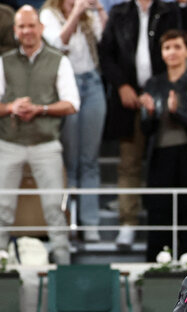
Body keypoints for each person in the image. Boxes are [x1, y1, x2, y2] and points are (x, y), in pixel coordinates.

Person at [99, 0, 187, 247]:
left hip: (167, 97)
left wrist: (161, 91)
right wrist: (121, 86)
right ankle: (128, 223)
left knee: (168, 161)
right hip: (128, 99)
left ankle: (175, 233)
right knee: (129, 162)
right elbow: (106, 54)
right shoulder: (119, 12)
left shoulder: (169, 10)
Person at [0, 5, 80, 264]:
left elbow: (72, 103)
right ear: (15, 31)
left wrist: (40, 109)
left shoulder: (59, 60)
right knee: (2, 208)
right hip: (9, 143)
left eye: (31, 25)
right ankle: (1, 264)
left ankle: (63, 265)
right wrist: (12, 107)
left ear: (41, 28)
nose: (27, 31)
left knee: (54, 209)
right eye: (22, 26)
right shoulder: (4, 62)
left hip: (46, 144)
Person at [139, 30, 187, 262]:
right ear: (161, 53)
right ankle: (158, 260)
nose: (172, 52)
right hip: (160, 156)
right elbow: (146, 129)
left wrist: (176, 112)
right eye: (167, 48)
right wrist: (149, 114)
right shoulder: (153, 83)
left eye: (177, 47)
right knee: (159, 210)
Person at [40, 0, 108, 242]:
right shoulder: (49, 14)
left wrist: (99, 9)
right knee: (71, 161)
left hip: (92, 82)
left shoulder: (89, 16)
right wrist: (76, 12)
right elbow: (58, 42)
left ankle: (90, 224)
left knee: (89, 159)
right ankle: (70, 222)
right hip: (65, 86)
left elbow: (108, 39)